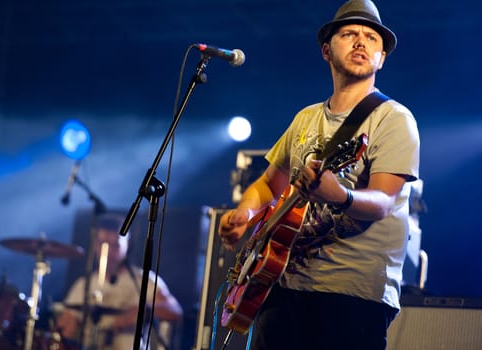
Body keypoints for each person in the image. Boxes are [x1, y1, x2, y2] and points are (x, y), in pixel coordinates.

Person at [218, 0, 420, 349]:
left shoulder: (394, 119)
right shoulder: (305, 119)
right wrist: (245, 214)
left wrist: (339, 195)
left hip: (353, 293)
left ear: (382, 57)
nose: (360, 42)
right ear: (327, 50)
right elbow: (269, 184)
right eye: (349, 34)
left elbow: (384, 200)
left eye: (371, 38)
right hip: (282, 284)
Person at [56, 213, 183, 350]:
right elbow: (63, 332)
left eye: (115, 245)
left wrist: (138, 313)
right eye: (103, 244)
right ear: (95, 245)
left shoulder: (143, 280)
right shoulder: (84, 285)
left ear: (127, 245)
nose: (109, 251)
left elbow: (174, 311)